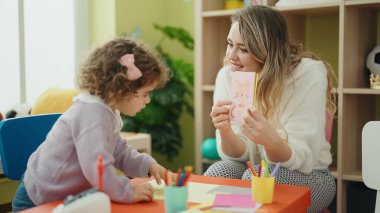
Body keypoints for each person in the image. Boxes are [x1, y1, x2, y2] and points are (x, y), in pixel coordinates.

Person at [12, 38, 175, 212]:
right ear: (122, 88)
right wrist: (127, 191)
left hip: (63, 196)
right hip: (39, 199)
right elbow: (96, 167)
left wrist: (148, 165)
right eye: (145, 94)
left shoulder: (105, 111)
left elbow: (118, 150)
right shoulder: (93, 113)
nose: (148, 100)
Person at [204, 5, 336, 213]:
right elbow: (237, 156)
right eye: (230, 44)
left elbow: (301, 158)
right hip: (251, 167)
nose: (232, 56)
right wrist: (225, 131)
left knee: (258, 179)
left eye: (244, 49)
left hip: (310, 176)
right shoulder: (228, 75)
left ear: (268, 50)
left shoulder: (308, 75)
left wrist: (270, 140)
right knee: (218, 172)